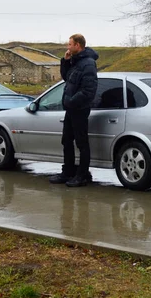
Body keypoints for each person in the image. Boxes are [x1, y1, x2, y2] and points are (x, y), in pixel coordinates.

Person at [49, 34, 98, 187]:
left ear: (78, 45)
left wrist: (71, 101)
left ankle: (82, 175)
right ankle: (68, 171)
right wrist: (65, 61)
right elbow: (67, 78)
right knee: (66, 140)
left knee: (82, 143)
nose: (68, 47)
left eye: (70, 45)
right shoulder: (76, 62)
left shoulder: (88, 63)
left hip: (80, 109)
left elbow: (89, 90)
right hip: (71, 109)